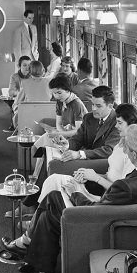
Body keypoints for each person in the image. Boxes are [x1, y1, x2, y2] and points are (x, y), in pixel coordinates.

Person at [6, 125, 137, 273]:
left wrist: (75, 193)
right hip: (117, 215)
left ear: (135, 154)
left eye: (127, 149)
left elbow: (96, 209)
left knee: (53, 198)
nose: (125, 152)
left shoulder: (126, 187)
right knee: (49, 216)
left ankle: (28, 246)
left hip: (101, 224)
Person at [16, 85, 121, 214]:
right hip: (84, 157)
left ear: (110, 106)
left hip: (98, 162)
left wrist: (79, 154)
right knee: (47, 152)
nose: (93, 109)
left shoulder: (118, 122)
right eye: (92, 104)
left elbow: (108, 150)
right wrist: (66, 145)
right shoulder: (89, 118)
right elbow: (78, 139)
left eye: (98, 106)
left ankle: (31, 203)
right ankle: (34, 204)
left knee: (53, 164)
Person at [33, 103, 137, 205]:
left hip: (104, 197)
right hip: (99, 186)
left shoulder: (133, 155)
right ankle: (37, 217)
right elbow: (111, 174)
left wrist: (96, 178)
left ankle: (35, 219)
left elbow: (120, 191)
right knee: (53, 179)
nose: (116, 126)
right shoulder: (120, 144)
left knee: (56, 188)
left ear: (132, 125)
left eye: (120, 123)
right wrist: (88, 177)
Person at [11, 60, 53, 128]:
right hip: (47, 117)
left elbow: (18, 102)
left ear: (29, 71)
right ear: (43, 70)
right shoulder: (50, 82)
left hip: (29, 118)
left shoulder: (24, 83)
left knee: (16, 107)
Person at [43, 74, 86, 139]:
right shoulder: (59, 102)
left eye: (59, 93)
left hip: (80, 138)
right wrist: (62, 136)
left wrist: (59, 134)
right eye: (54, 93)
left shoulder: (77, 104)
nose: (57, 96)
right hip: (67, 134)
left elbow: (79, 131)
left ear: (68, 90)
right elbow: (59, 124)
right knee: (44, 139)